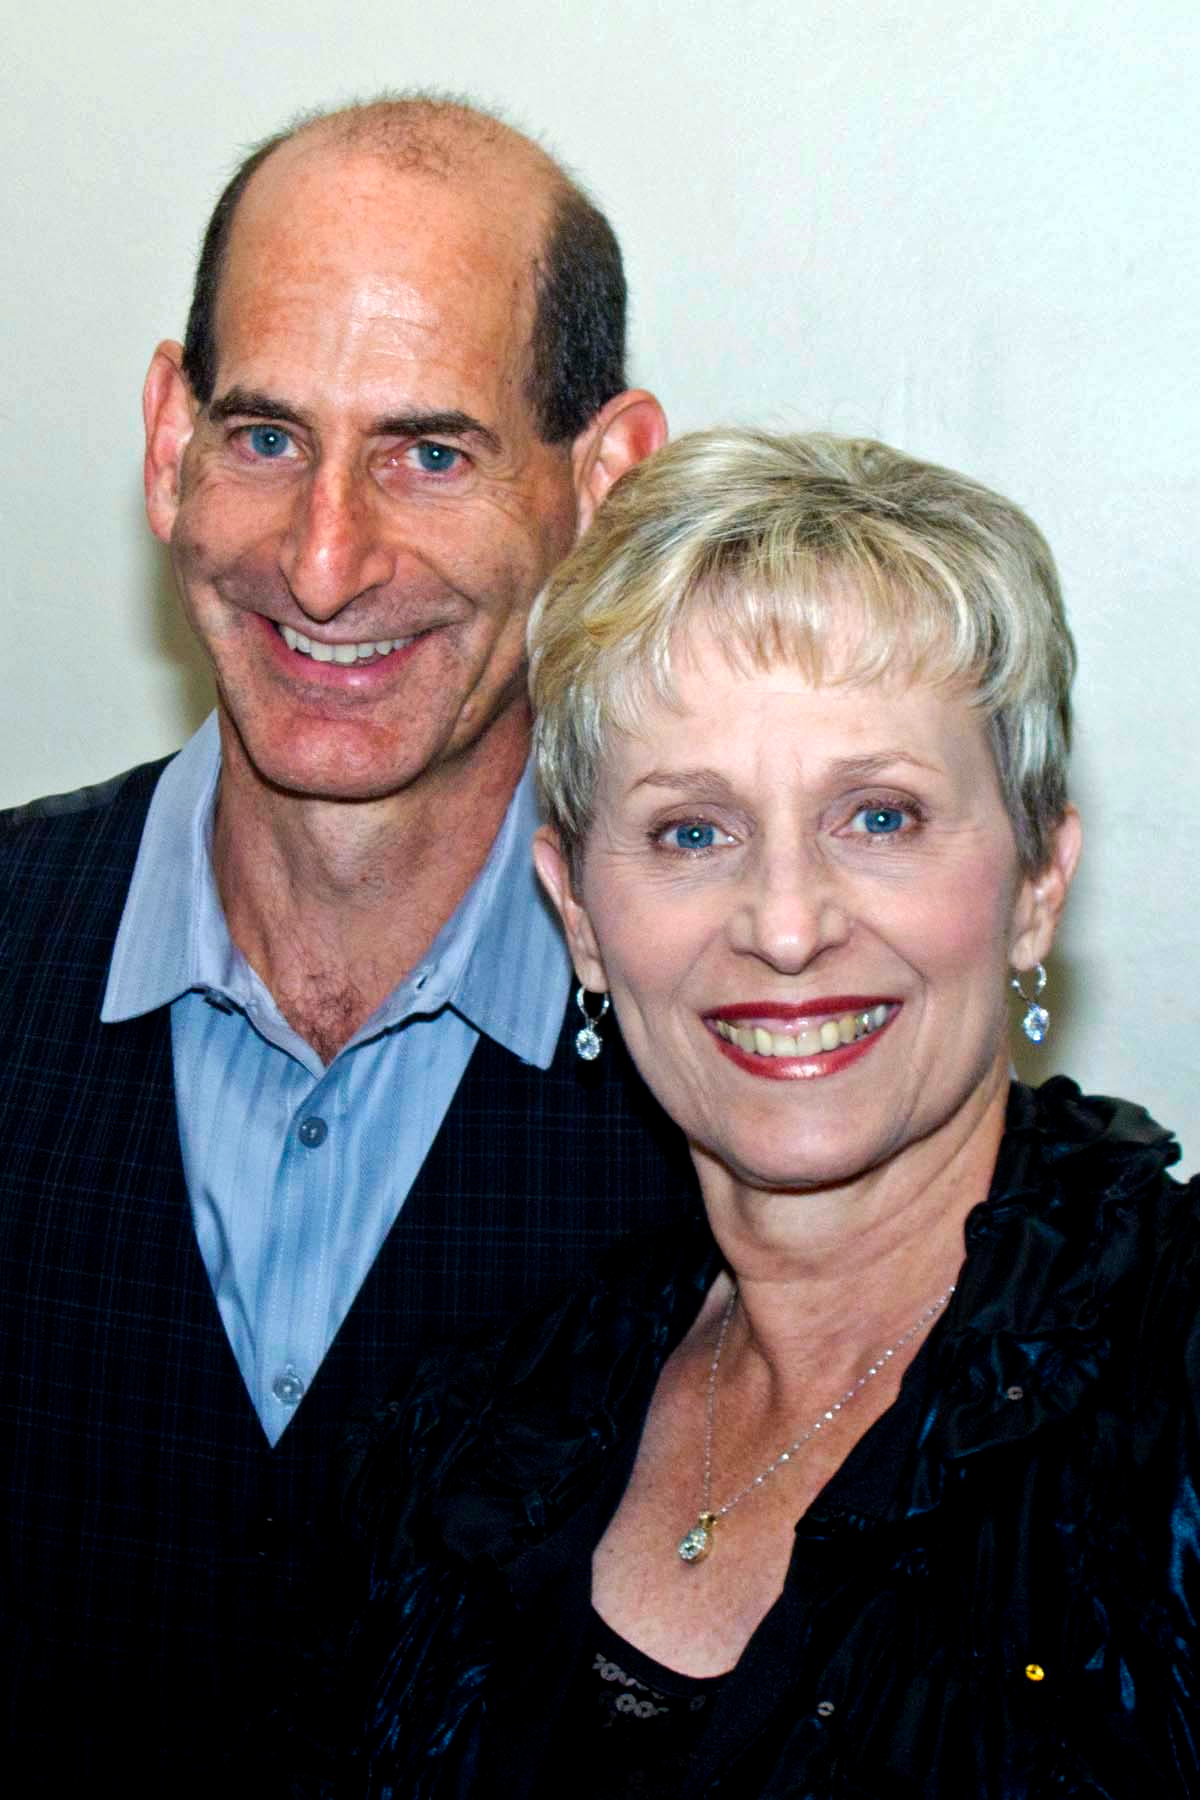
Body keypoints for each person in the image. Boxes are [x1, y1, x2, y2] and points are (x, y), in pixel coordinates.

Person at [277, 429, 1200, 1797]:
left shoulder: (1172, 1394)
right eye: (692, 832)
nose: (784, 924)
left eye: (878, 817)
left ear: (1037, 882)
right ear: (578, 914)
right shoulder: (456, 1446)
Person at [0, 97, 693, 1792]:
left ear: (604, 485)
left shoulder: (735, 1066)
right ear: (168, 440)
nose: (323, 563)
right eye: (265, 438)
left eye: (428, 455)